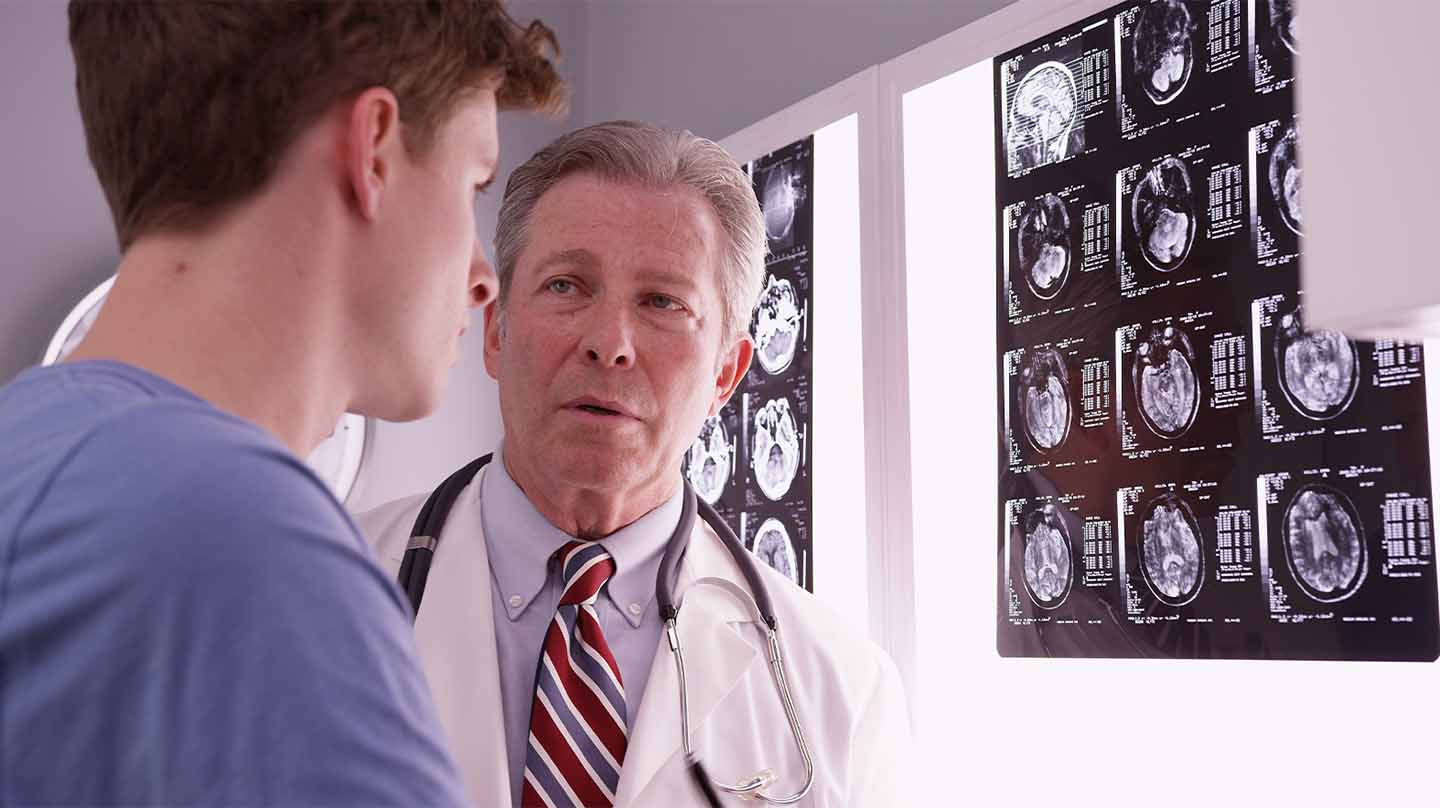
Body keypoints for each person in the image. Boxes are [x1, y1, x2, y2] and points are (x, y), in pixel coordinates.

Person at [0, 2, 564, 804]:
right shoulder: (244, 550)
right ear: (373, 151)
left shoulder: (31, 460)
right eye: (474, 179)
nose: (484, 277)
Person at [360, 121, 912, 808]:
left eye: (661, 303)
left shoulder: (841, 692)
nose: (609, 344)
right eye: (567, 286)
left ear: (726, 374)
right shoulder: (318, 592)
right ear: (497, 333)